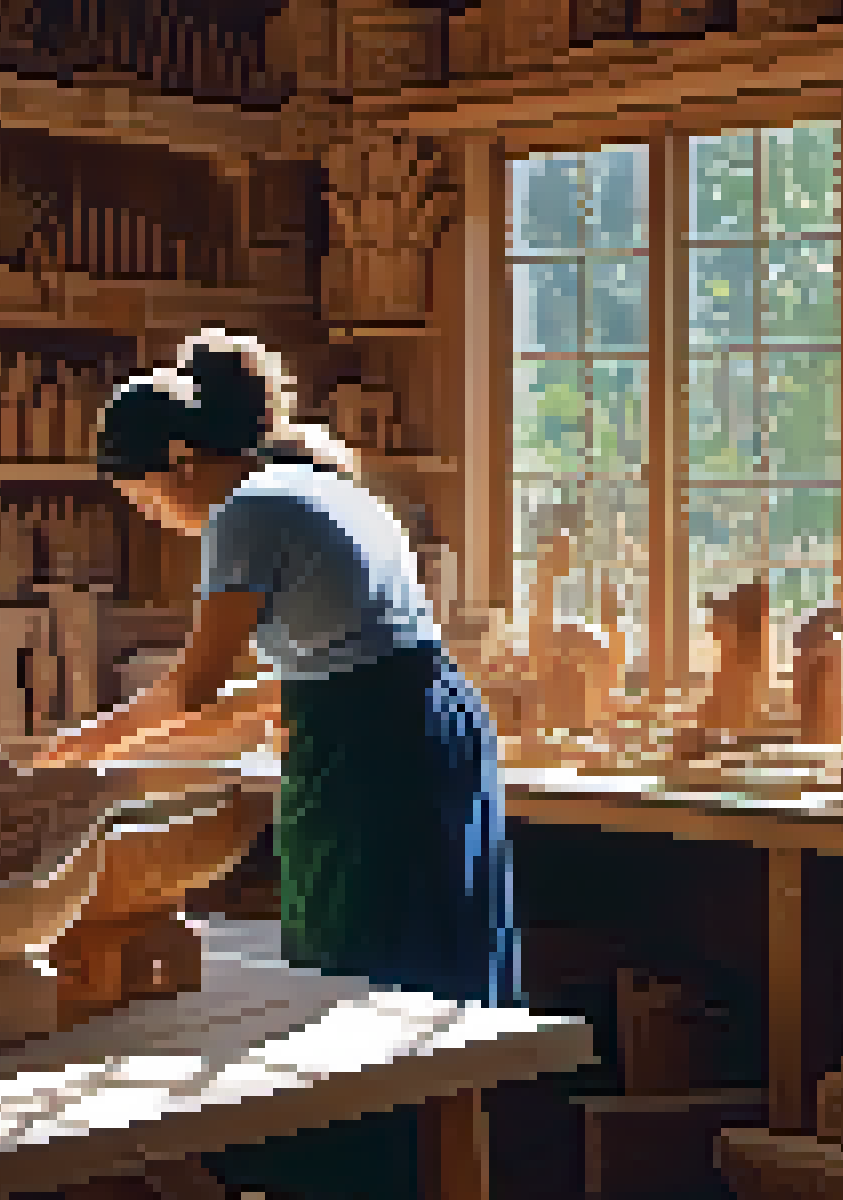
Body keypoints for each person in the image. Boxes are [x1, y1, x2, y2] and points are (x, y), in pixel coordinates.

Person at [27, 328, 518, 1200]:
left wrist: (88, 747)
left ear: (179, 463)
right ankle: (427, 1169)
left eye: (142, 500)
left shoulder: (245, 513)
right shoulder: (319, 488)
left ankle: (355, 1176)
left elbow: (193, 689)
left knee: (362, 971)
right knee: (430, 973)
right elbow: (292, 693)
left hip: (379, 753)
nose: (151, 518)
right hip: (429, 727)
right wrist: (97, 744)